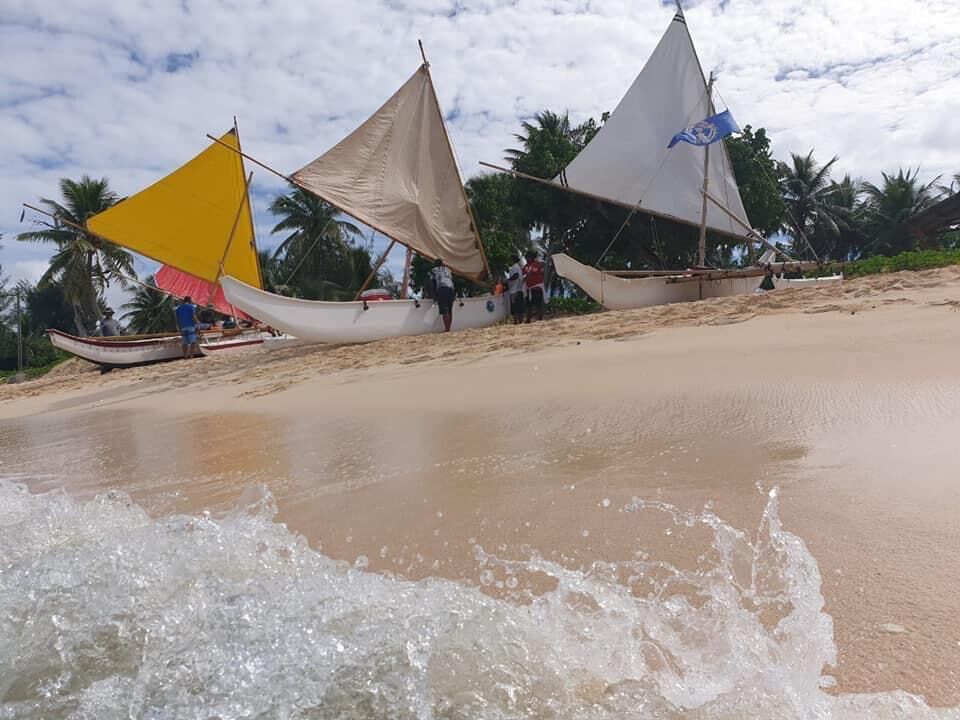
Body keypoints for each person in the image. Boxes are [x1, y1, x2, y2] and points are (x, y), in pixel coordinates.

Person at [430, 258, 456, 332]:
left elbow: (432, 283)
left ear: (435, 264)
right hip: (451, 290)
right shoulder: (448, 270)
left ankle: (447, 329)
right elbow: (451, 279)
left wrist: (434, 296)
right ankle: (449, 328)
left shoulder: (434, 270)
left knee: (444, 310)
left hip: (442, 289)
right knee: (450, 310)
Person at [522, 251, 546, 323]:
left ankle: (540, 318)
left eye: (527, 257)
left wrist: (525, 278)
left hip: (536, 287)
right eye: (526, 257)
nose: (526, 258)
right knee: (529, 305)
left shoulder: (536, 265)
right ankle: (528, 319)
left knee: (538, 304)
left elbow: (531, 273)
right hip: (529, 288)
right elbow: (522, 273)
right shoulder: (526, 266)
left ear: (532, 257)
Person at [507, 254, 526, 324]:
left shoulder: (514, 267)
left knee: (515, 308)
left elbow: (516, 275)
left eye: (510, 259)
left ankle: (516, 321)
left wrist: (508, 280)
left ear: (512, 260)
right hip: (519, 289)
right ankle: (520, 321)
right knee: (520, 307)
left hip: (514, 290)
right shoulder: (518, 267)